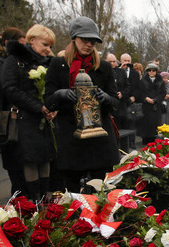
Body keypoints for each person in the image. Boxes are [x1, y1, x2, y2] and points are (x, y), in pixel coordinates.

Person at [44, 16, 120, 192]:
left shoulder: (104, 67)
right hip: (71, 138)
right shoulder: (58, 65)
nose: (90, 44)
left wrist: (105, 98)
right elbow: (48, 101)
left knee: (98, 191)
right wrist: (61, 94)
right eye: (85, 40)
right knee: (72, 191)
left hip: (99, 139)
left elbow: (115, 102)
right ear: (74, 39)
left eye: (93, 41)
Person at [3, 24, 57, 201]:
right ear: (31, 40)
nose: (48, 50)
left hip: (45, 121)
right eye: (45, 45)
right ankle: (34, 201)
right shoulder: (15, 60)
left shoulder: (48, 62)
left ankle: (46, 200)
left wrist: (53, 108)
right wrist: (38, 106)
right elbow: (10, 89)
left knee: (46, 159)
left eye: (50, 46)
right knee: (31, 161)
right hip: (25, 121)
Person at [0, 27, 27, 196]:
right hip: (8, 120)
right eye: (20, 44)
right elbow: (3, 87)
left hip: (19, 119)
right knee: (15, 170)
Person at [138, 62, 165, 144]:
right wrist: (146, 98)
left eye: (153, 70)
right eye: (150, 70)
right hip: (146, 106)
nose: (152, 72)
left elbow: (163, 93)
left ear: (156, 71)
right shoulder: (143, 80)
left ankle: (156, 142)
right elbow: (140, 92)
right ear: (147, 71)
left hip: (156, 106)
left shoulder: (161, 81)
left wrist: (156, 100)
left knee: (156, 126)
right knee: (146, 126)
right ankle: (146, 143)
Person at [106, 53, 130, 128]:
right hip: (108, 104)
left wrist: (122, 94)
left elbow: (127, 86)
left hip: (121, 106)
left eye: (114, 61)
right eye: (110, 62)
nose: (112, 63)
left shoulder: (122, 72)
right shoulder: (103, 72)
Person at [120, 53, 139, 128]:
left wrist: (134, 96)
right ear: (121, 61)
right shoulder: (117, 71)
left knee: (131, 125)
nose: (127, 63)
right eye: (125, 60)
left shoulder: (135, 73)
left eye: (128, 61)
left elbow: (138, 87)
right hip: (120, 102)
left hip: (131, 102)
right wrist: (120, 69)